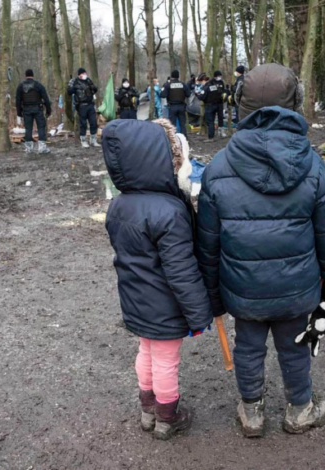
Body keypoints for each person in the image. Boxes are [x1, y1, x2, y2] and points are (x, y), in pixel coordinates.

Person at [196, 63, 325, 438]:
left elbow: (208, 242)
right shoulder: (314, 166)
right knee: (296, 347)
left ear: (240, 106)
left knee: (248, 348)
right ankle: (300, 409)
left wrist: (213, 293)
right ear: (294, 103)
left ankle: (251, 412)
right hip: (297, 290)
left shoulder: (217, 169)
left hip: (243, 289)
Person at [102, 117, 213, 440]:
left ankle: (147, 408)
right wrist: (199, 313)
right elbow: (181, 270)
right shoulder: (169, 211)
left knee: (146, 350)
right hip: (164, 305)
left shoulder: (118, 205)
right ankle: (168, 415)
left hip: (135, 299)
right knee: (166, 358)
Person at [15, 69, 52, 154]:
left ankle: (29, 149)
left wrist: (19, 113)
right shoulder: (38, 85)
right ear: (33, 75)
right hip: (38, 109)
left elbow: (17, 100)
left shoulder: (21, 86)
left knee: (28, 129)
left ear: (25, 76)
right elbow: (46, 98)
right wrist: (48, 110)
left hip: (26, 110)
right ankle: (42, 148)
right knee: (41, 127)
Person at [67, 67, 99, 148]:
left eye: (85, 73)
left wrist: (92, 87)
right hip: (81, 105)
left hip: (90, 104)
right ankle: (83, 140)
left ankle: (93, 140)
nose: (84, 75)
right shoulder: (74, 81)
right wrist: (74, 88)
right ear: (79, 75)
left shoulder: (88, 80)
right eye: (83, 74)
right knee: (83, 124)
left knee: (93, 122)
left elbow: (95, 89)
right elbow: (69, 92)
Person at [196, 70, 226, 140]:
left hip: (209, 106)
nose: (201, 83)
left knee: (210, 122)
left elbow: (201, 97)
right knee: (212, 121)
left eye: (201, 82)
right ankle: (212, 136)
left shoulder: (206, 87)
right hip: (216, 104)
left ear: (203, 80)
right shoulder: (213, 86)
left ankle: (211, 137)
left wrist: (197, 94)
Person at [160, 70, 191, 137]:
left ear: (171, 76)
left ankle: (173, 139)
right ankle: (184, 138)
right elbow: (188, 94)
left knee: (172, 124)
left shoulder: (168, 85)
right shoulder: (183, 84)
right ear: (178, 76)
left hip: (172, 106)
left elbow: (162, 95)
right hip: (182, 106)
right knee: (182, 124)